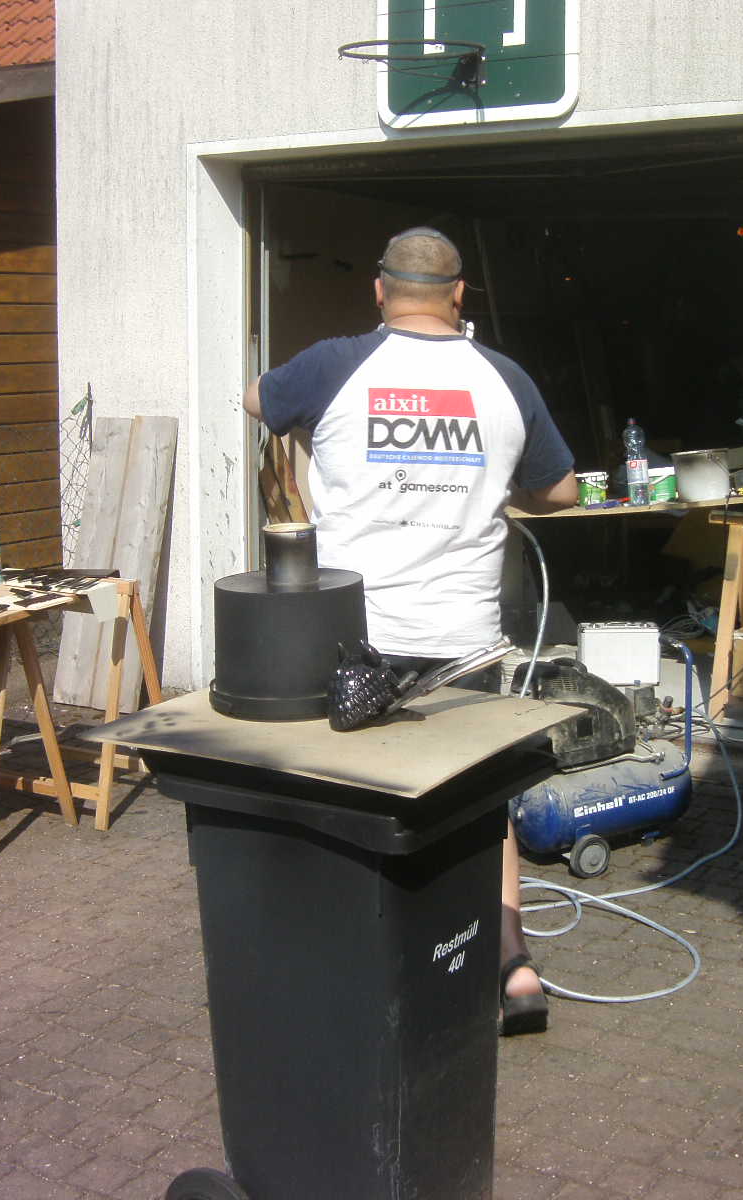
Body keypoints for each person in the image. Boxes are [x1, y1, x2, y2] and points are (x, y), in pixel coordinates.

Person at [243, 226, 578, 1035]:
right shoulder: (503, 378)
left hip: (354, 634)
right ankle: (512, 964)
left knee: (355, 795)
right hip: (465, 637)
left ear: (378, 290)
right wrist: (491, 485)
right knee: (480, 800)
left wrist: (317, 432)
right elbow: (562, 490)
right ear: (460, 295)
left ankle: (364, 960)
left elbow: (258, 400)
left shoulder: (333, 365)